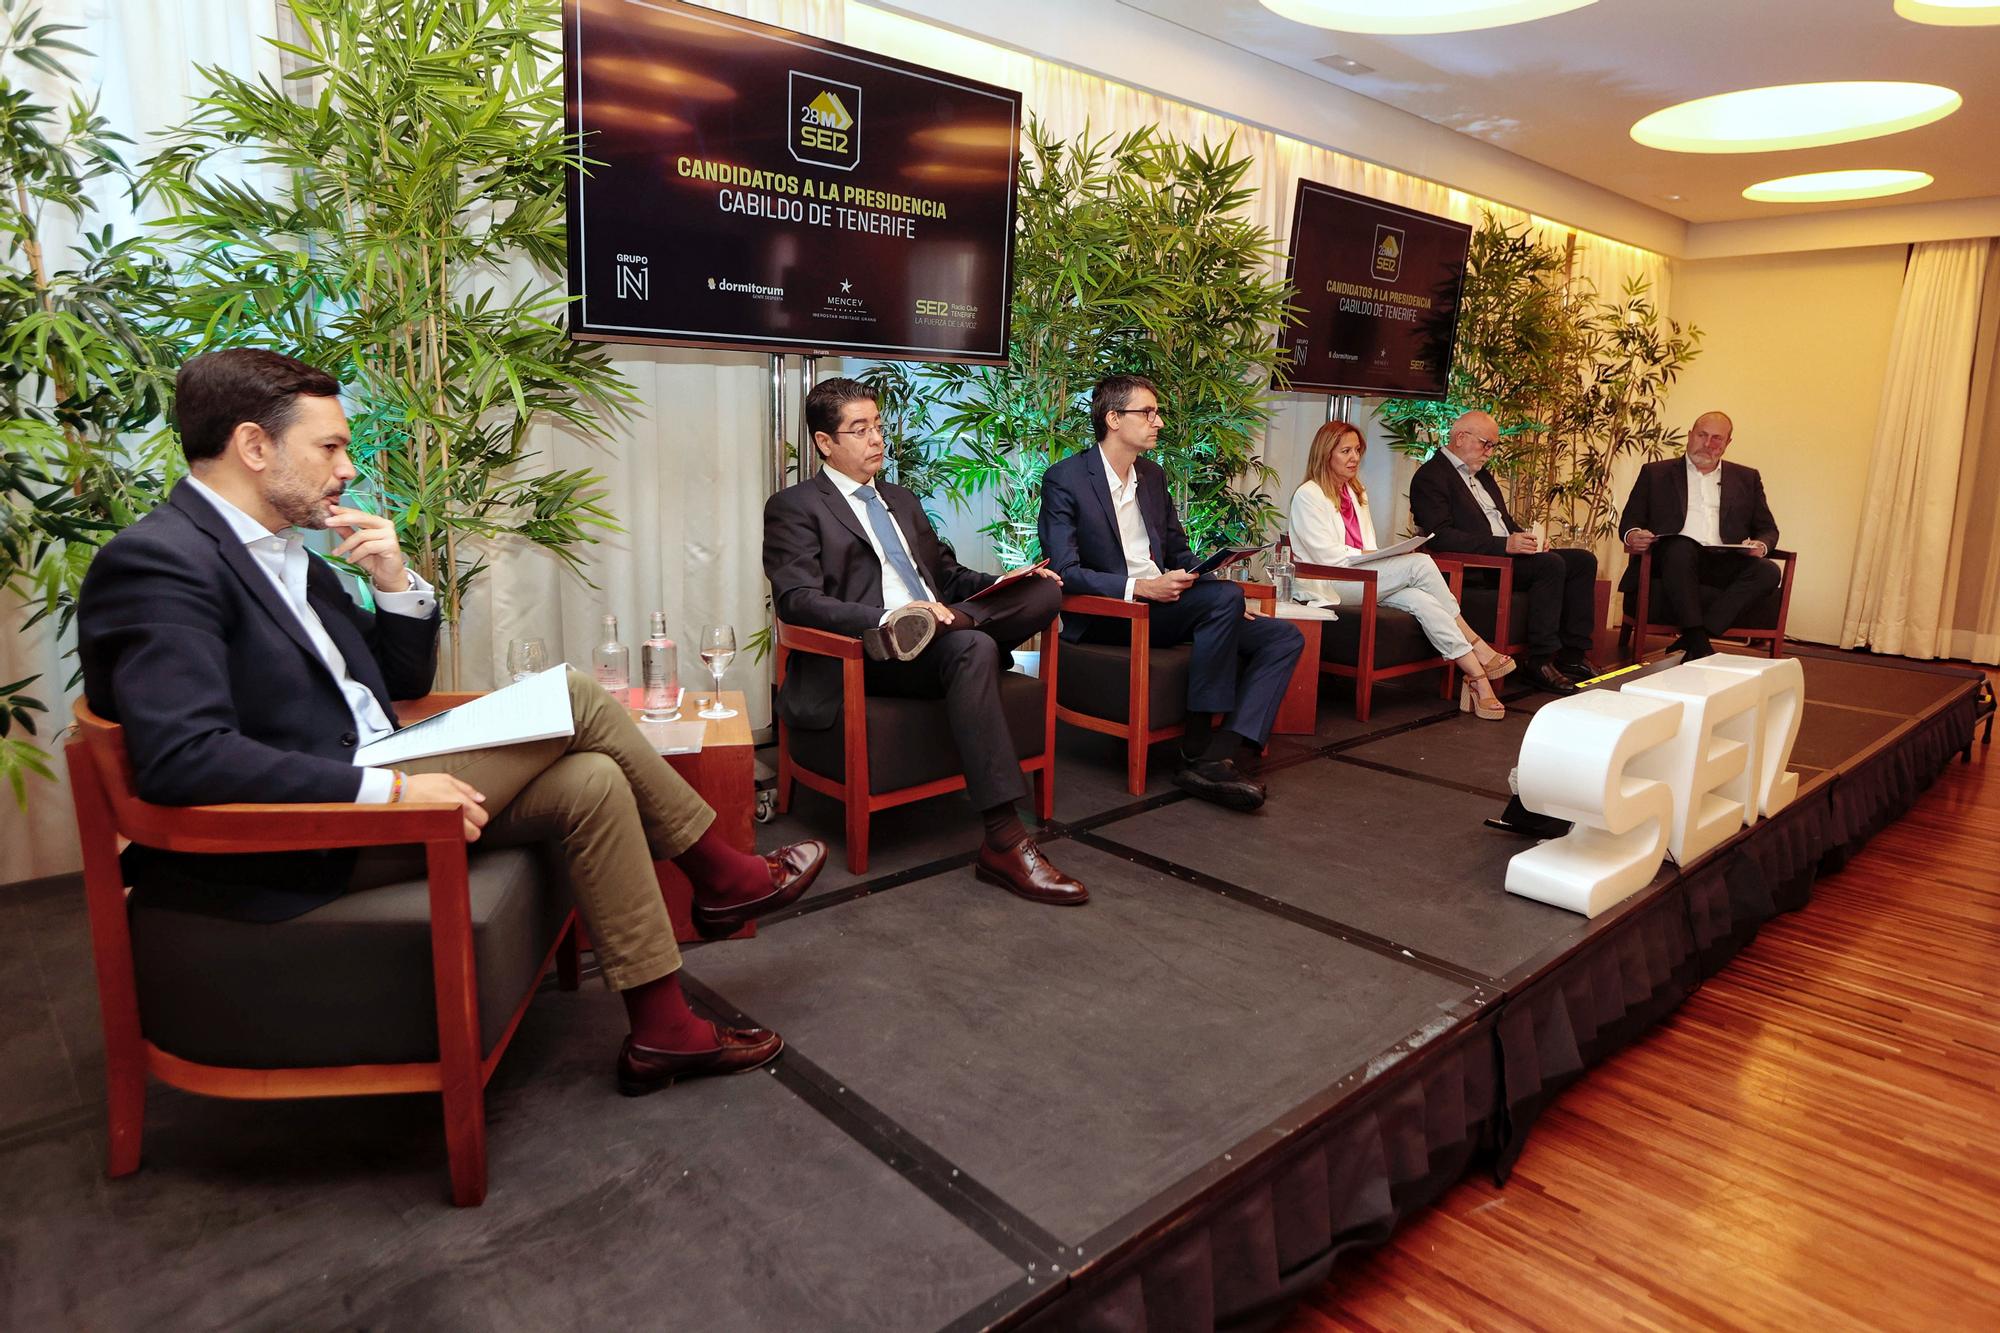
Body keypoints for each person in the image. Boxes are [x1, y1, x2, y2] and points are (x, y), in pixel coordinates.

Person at [77, 348, 828, 1098]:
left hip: (382, 762)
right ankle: (724, 873)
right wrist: (390, 793)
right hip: (309, 829)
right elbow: (185, 757)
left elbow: (398, 685)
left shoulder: (289, 554)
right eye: (331, 446)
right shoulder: (158, 562)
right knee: (572, 691)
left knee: (594, 777)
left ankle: (665, 1030)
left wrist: (395, 583)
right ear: (252, 445)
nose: (346, 468)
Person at [763, 377, 1086, 906]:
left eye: (879, 426)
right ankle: (1006, 840)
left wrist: (1006, 583)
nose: (876, 440)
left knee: (1044, 594)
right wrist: (893, 615)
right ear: (825, 442)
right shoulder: (795, 506)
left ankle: (952, 624)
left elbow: (948, 573)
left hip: (937, 634)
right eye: (860, 429)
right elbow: (797, 601)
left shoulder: (902, 499)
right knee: (975, 645)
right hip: (872, 650)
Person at [1038, 374, 1305, 810]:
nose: (1157, 421)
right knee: (1224, 601)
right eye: (1147, 412)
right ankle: (1196, 748)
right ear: (1113, 419)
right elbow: (1064, 570)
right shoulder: (1066, 479)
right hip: (1114, 613)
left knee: (1282, 636)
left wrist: (1214, 592)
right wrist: (1141, 586)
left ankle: (1221, 751)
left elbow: (1178, 550)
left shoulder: (1152, 476)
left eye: (1156, 412)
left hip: (1165, 606)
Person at [1289, 421, 1514, 720]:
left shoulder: (1357, 493)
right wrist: (1375, 556)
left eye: (1357, 450)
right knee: (1420, 563)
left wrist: (1378, 555)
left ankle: (1477, 679)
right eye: (1345, 451)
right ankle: (1476, 642)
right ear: (1325, 454)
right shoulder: (1309, 495)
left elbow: (1366, 546)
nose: (1354, 457)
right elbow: (1326, 556)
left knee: (1424, 601)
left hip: (1363, 577)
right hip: (1330, 582)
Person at [1408, 409, 1600, 693]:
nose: (1490, 452)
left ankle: (1572, 656)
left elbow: (1503, 522)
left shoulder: (1483, 476)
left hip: (1506, 557)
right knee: (1551, 565)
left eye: (1493, 446)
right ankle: (1540, 661)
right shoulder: (1431, 476)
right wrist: (1504, 546)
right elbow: (1442, 538)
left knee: (1583, 561)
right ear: (1461, 437)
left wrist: (1526, 538)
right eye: (1486, 444)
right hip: (1480, 566)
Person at [1618, 410, 1782, 661]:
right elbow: (1629, 522)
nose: (1707, 444)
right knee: (1681, 547)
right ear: (1689, 435)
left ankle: (1697, 637)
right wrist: (1633, 535)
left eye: (1717, 438)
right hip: (1672, 560)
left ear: (1727, 444)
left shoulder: (1746, 477)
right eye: (1702, 435)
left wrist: (1761, 545)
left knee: (1768, 570)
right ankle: (1697, 638)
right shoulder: (1656, 473)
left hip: (1725, 559)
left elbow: (1768, 529)